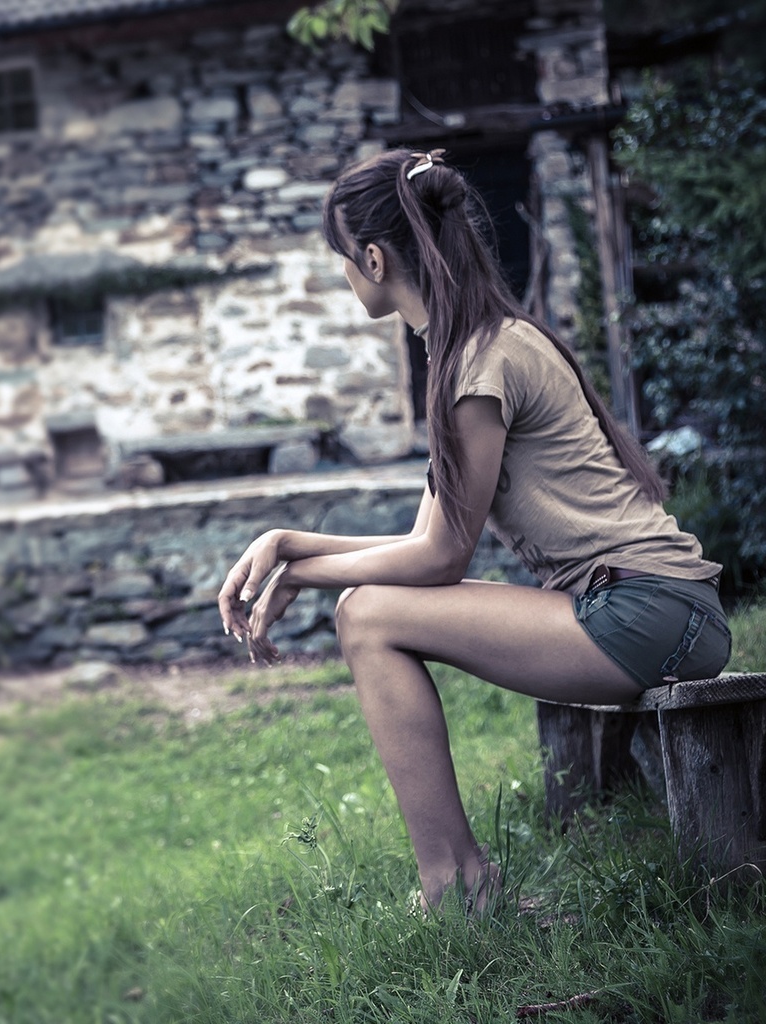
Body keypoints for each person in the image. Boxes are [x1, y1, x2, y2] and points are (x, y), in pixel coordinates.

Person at [216, 148, 731, 914]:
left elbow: (439, 559)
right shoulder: (485, 341)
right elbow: (432, 536)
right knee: (366, 603)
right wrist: (291, 546)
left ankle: (457, 887)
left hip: (646, 614)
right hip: (662, 610)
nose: (345, 277)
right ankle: (461, 882)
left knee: (365, 614)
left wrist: (301, 571)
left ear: (373, 256)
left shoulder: (474, 366)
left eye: (341, 261)